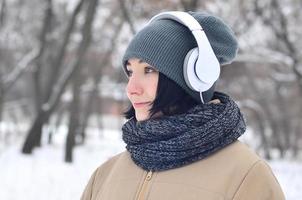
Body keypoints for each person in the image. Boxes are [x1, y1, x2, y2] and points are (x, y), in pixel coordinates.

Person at [81, 11, 285, 200]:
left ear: (195, 76)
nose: (131, 88)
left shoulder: (246, 177)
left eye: (149, 70)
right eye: (130, 71)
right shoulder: (105, 175)